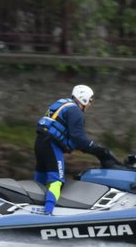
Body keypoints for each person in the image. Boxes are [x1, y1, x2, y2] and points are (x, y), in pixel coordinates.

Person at [34, 83, 118, 214]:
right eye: (90, 100)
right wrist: (97, 149)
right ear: (83, 99)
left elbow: (72, 139)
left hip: (40, 142)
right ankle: (47, 213)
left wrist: (87, 148)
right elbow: (79, 138)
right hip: (52, 145)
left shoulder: (63, 104)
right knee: (57, 181)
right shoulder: (76, 112)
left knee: (41, 178)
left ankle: (29, 206)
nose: (90, 104)